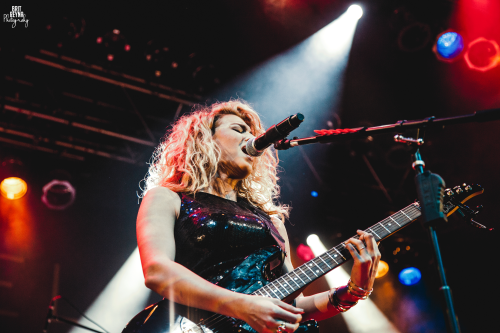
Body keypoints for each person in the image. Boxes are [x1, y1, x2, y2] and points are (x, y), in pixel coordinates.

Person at [136, 100, 381, 333]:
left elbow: (292, 305)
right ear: (204, 139)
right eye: (238, 129)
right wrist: (241, 305)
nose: (251, 138)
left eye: (251, 131)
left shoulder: (271, 222)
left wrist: (353, 292)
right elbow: (158, 271)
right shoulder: (168, 197)